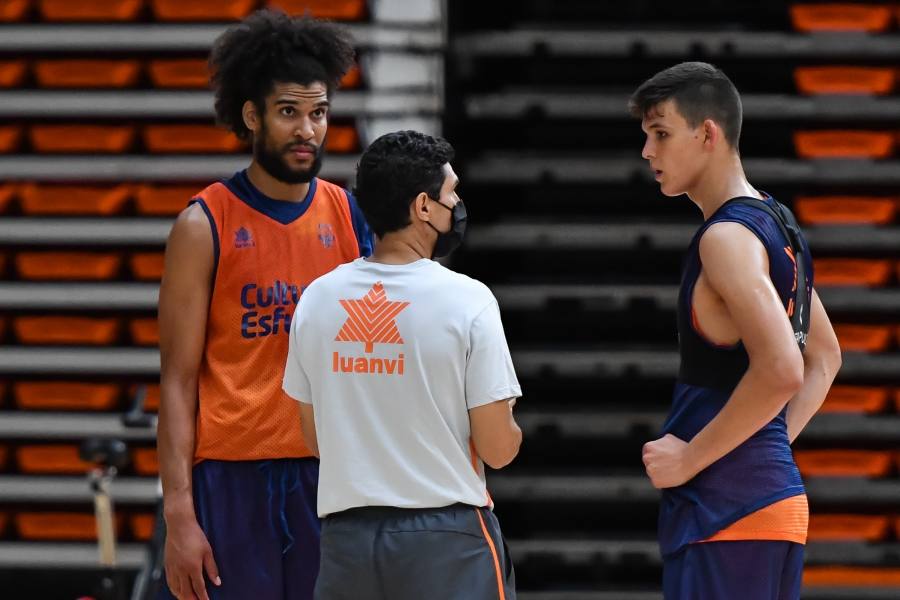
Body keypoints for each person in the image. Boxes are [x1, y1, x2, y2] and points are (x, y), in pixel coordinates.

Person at [156, 10, 372, 600]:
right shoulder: (204, 224)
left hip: (329, 477)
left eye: (319, 113)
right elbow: (176, 381)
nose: (307, 129)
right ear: (251, 116)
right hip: (230, 479)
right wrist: (179, 512)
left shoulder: (350, 218)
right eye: (289, 112)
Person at [630, 62, 842, 599]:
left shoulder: (724, 238)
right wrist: (762, 447)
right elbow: (826, 359)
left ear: (707, 134)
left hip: (726, 515)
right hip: (768, 506)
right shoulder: (777, 222)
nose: (647, 152)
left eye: (660, 134)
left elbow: (784, 369)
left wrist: (694, 457)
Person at [282, 130, 521, 600]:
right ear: (423, 207)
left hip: (346, 546)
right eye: (451, 193)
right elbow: (497, 449)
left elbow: (315, 439)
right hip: (446, 541)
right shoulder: (468, 299)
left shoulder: (317, 298)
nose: (458, 204)